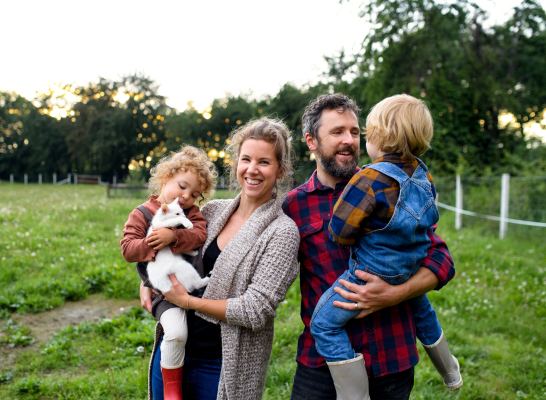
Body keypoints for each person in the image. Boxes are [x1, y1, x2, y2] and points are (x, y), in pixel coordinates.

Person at [282, 94, 456, 400]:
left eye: (354, 131)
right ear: (311, 141)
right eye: (337, 132)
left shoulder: (391, 188)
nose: (349, 140)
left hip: (392, 358)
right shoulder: (294, 206)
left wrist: (394, 294)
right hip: (320, 365)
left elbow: (441, 258)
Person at [141, 117, 300, 400]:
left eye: (264, 162)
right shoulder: (211, 211)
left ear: (280, 170)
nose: (252, 169)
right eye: (246, 159)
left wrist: (187, 302)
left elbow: (256, 309)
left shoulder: (282, 232)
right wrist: (148, 281)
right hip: (174, 349)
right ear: (236, 163)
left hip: (220, 365)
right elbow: (166, 249)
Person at [121, 146, 217, 400]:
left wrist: (174, 236)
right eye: (182, 186)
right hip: (163, 290)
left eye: (195, 194)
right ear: (166, 178)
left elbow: (200, 234)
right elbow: (128, 249)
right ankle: (171, 390)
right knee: (176, 333)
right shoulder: (141, 213)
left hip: (191, 283)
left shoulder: (191, 214)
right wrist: (154, 242)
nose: (186, 196)